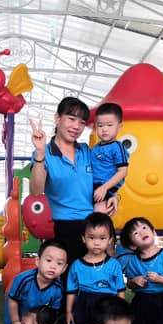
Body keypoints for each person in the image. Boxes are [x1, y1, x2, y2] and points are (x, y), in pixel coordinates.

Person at [29, 97, 100, 266]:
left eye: (82, 122)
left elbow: (104, 179)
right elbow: (36, 191)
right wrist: (40, 153)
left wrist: (114, 196)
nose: (77, 127)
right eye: (71, 118)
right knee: (64, 277)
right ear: (57, 118)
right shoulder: (44, 153)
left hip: (91, 227)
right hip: (60, 226)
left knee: (92, 277)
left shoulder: (86, 151)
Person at [66, 212, 125, 324]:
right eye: (91, 237)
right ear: (83, 238)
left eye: (102, 238)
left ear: (110, 240)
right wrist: (69, 312)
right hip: (83, 305)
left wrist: (121, 311)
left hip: (108, 306)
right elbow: (71, 291)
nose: (97, 242)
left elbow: (120, 290)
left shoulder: (114, 265)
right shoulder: (76, 265)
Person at [5, 239, 67, 324]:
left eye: (59, 263)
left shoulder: (58, 288)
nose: (53, 266)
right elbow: (12, 301)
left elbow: (52, 312)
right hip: (17, 318)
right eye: (48, 260)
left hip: (37, 322)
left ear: (64, 268)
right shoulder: (23, 280)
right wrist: (15, 322)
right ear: (38, 261)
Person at [91, 102, 129, 214]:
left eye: (109, 125)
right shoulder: (95, 148)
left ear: (119, 126)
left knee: (98, 216)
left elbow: (123, 172)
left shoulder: (117, 147)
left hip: (105, 189)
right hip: (92, 187)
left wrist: (105, 188)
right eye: (100, 125)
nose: (104, 129)